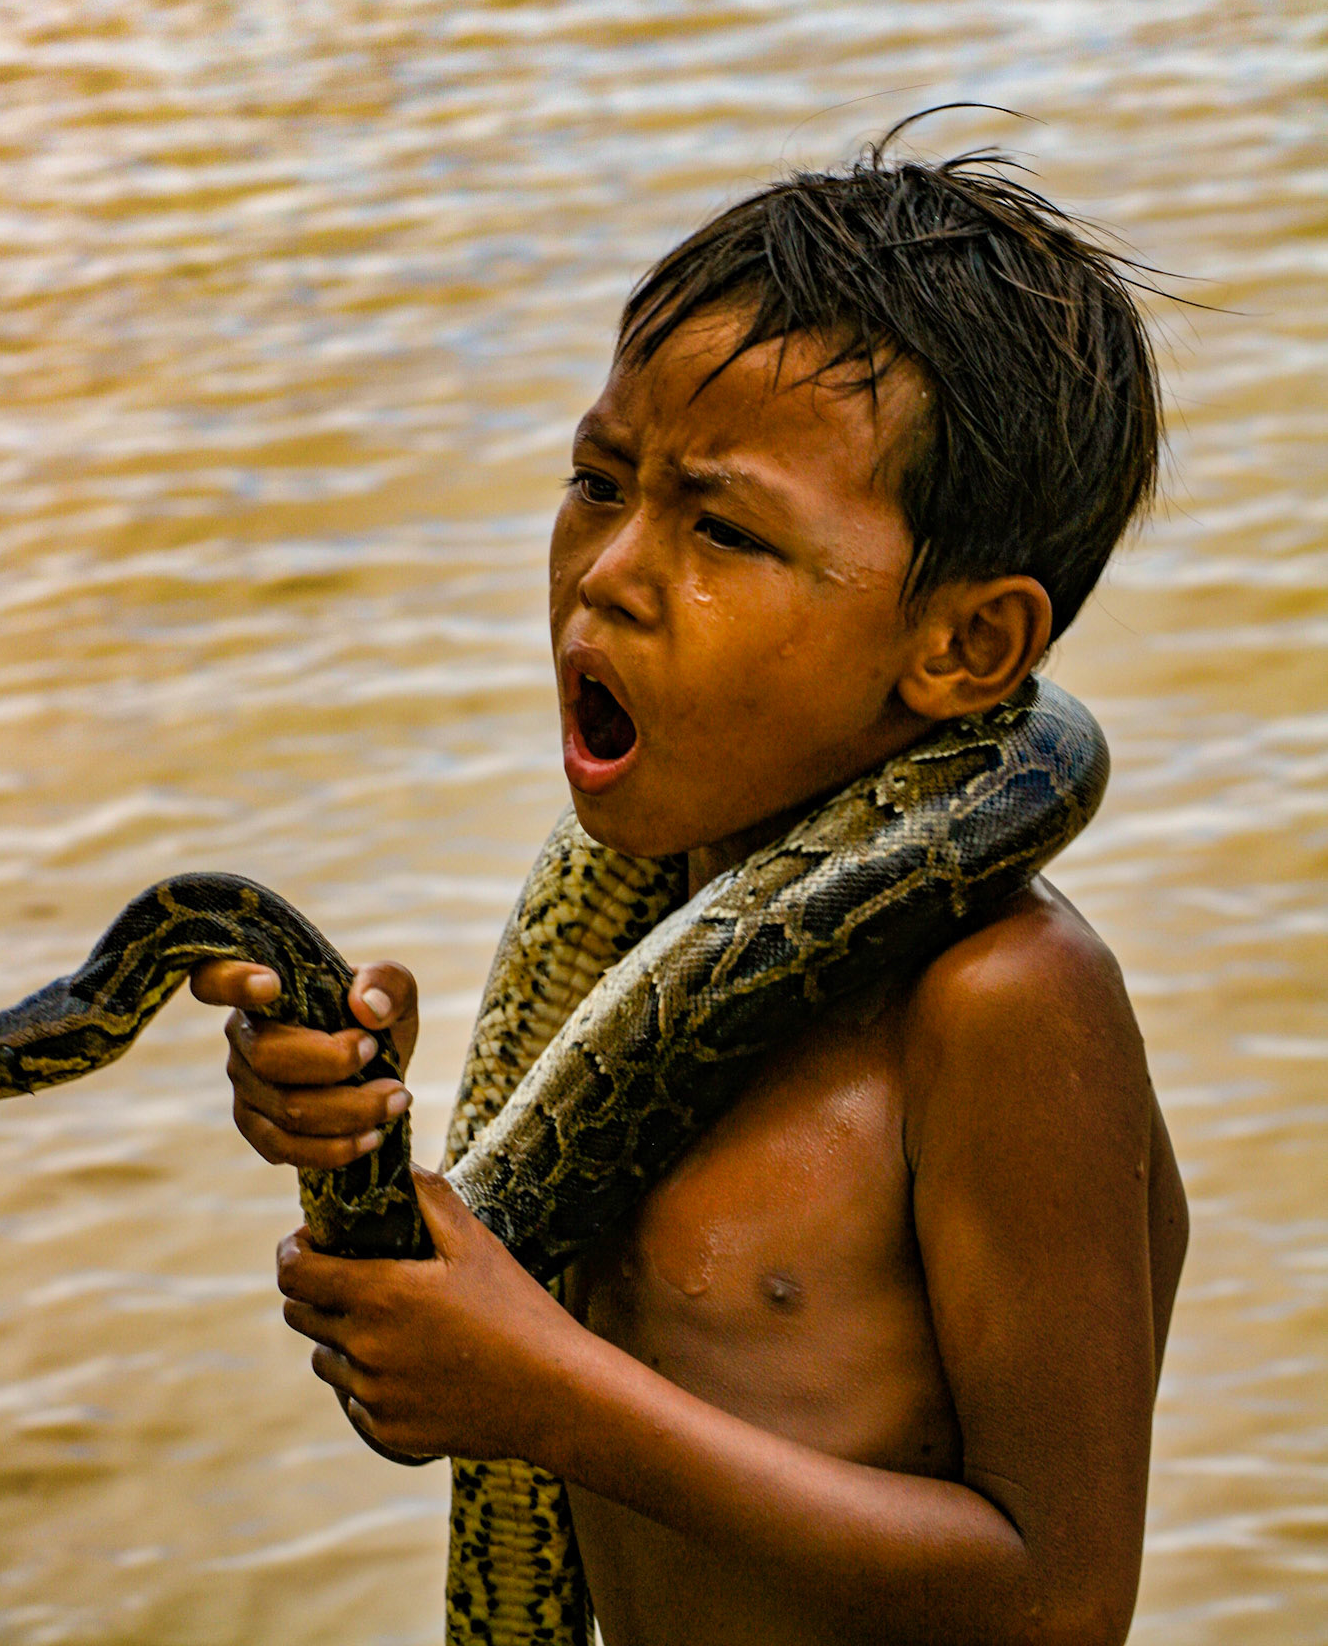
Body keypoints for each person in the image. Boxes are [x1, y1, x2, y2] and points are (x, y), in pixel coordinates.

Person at [191, 129, 1188, 1646]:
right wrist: (362, 1150)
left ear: (967, 649)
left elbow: (1057, 1599)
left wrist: (543, 1392)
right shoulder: (634, 937)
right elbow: (454, 1360)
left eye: (721, 529)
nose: (607, 573)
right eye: (597, 484)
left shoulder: (997, 1006)